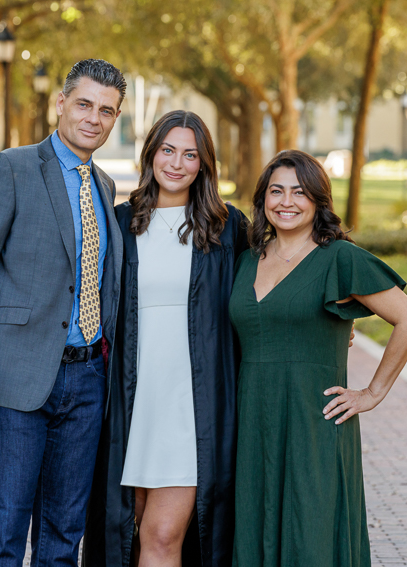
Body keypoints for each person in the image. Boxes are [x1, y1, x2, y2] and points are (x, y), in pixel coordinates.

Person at [0, 59, 126, 566]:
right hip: (14, 379)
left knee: (64, 537)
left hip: (87, 383)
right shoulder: (12, 168)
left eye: (107, 111)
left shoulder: (106, 187)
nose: (94, 118)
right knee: (3, 531)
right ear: (60, 104)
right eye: (84, 104)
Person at [228, 150, 407, 567]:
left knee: (311, 534)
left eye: (299, 192)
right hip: (252, 424)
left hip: (314, 425)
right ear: (262, 198)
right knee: (254, 528)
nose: (286, 201)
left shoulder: (340, 258)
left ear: (318, 200)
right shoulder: (246, 261)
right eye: (276, 191)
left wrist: (372, 393)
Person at [83, 110, 249, 567]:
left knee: (160, 535)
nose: (177, 163)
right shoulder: (119, 223)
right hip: (130, 401)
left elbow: (271, 287)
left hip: (191, 404)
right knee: (129, 532)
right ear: (151, 153)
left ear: (204, 164)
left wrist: (331, 321)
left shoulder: (228, 228)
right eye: (168, 150)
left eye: (190, 154)